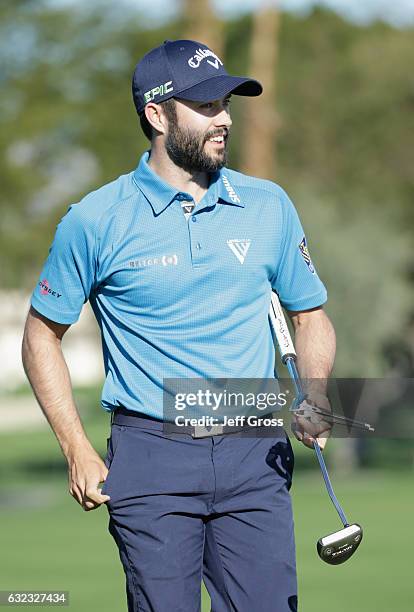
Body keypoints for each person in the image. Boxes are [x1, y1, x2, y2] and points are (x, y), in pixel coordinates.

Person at [22, 39, 336, 612]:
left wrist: (312, 392)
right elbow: (41, 336)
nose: (225, 119)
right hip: (152, 453)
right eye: (207, 105)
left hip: (253, 444)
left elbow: (310, 315)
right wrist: (76, 448)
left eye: (226, 104)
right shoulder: (94, 220)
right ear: (157, 114)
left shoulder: (269, 206)